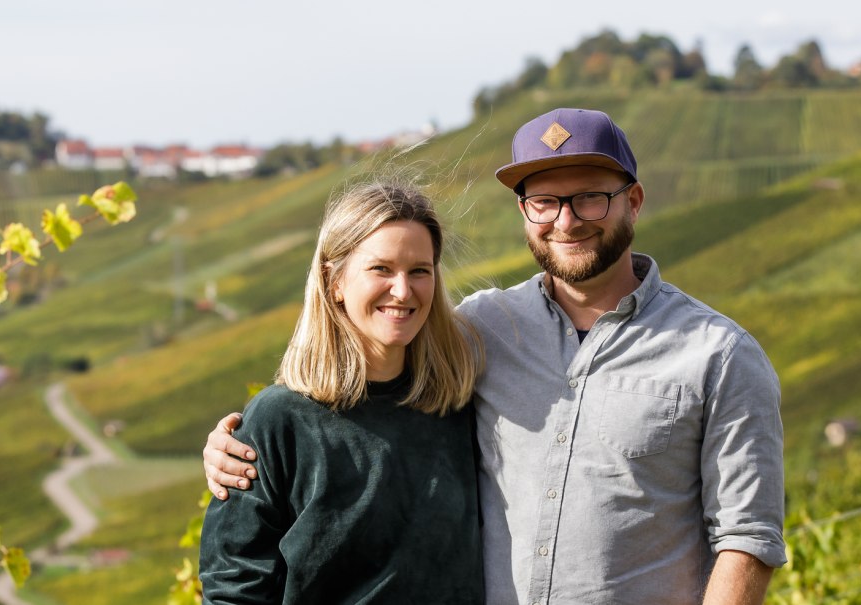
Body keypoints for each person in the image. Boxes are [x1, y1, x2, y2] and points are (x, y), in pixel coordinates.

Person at [205, 108, 786, 604]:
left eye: (590, 197)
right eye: (546, 201)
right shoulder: (482, 329)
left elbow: (747, 536)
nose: (567, 219)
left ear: (632, 201)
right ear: (525, 213)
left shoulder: (720, 355)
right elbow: (362, 368)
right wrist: (239, 439)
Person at [198, 181, 486, 603]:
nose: (403, 290)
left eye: (419, 271)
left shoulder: (461, 404)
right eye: (381, 269)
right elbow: (233, 585)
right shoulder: (280, 420)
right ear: (335, 281)